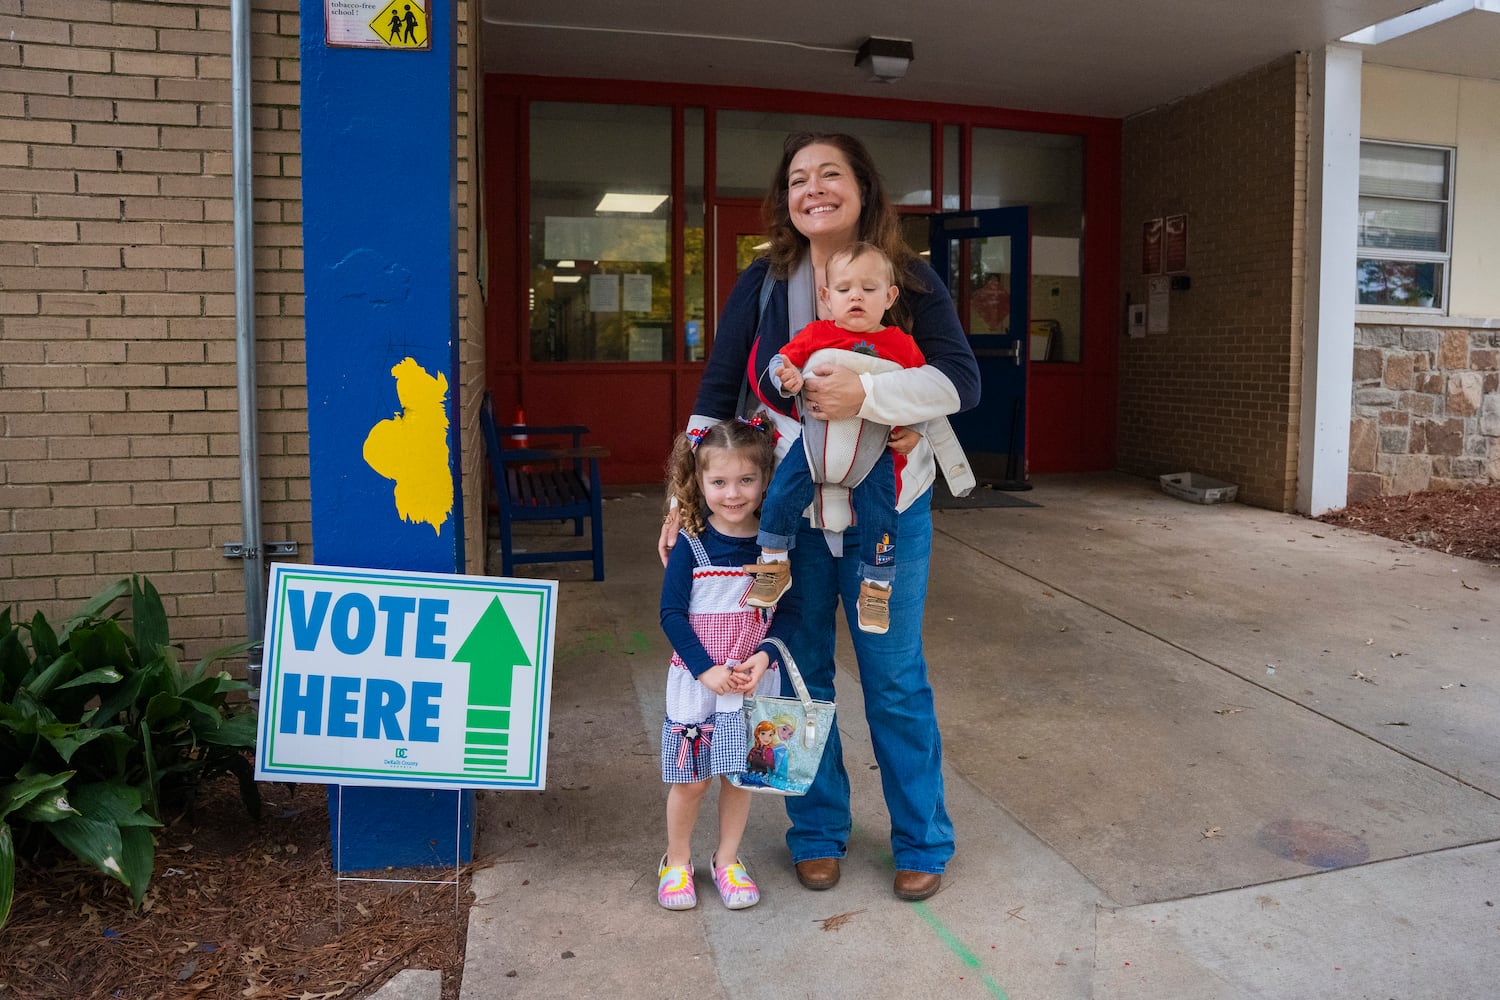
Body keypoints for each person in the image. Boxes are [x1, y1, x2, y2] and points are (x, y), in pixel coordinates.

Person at [658, 131, 980, 902]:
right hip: (790, 521)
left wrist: (869, 399)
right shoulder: (764, 282)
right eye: (799, 178)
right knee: (793, 678)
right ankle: (815, 831)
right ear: (787, 198)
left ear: (862, 188)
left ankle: (923, 841)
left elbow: (960, 381)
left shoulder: (910, 280)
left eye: (830, 174)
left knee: (894, 679)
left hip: (887, 515)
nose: (814, 189)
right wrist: (683, 497)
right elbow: (714, 390)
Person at [743, 240, 946, 637]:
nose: (856, 296)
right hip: (814, 446)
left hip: (876, 453)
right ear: (826, 296)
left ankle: (876, 585)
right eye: (844, 289)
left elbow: (926, 397)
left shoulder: (902, 345)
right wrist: (788, 378)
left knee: (881, 514)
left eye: (869, 289)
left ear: (889, 297)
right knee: (783, 491)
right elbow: (778, 363)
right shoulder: (815, 334)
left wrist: (915, 430)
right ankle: (773, 561)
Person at [656, 417, 800, 912]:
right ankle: (676, 862)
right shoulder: (692, 544)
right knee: (692, 779)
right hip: (701, 683)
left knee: (740, 777)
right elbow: (671, 613)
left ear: (766, 481)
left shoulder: (774, 546)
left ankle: (727, 859)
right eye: (718, 482)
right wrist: (704, 669)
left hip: (752, 682)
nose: (733, 494)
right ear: (698, 483)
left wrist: (765, 656)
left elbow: (792, 612)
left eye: (746, 480)